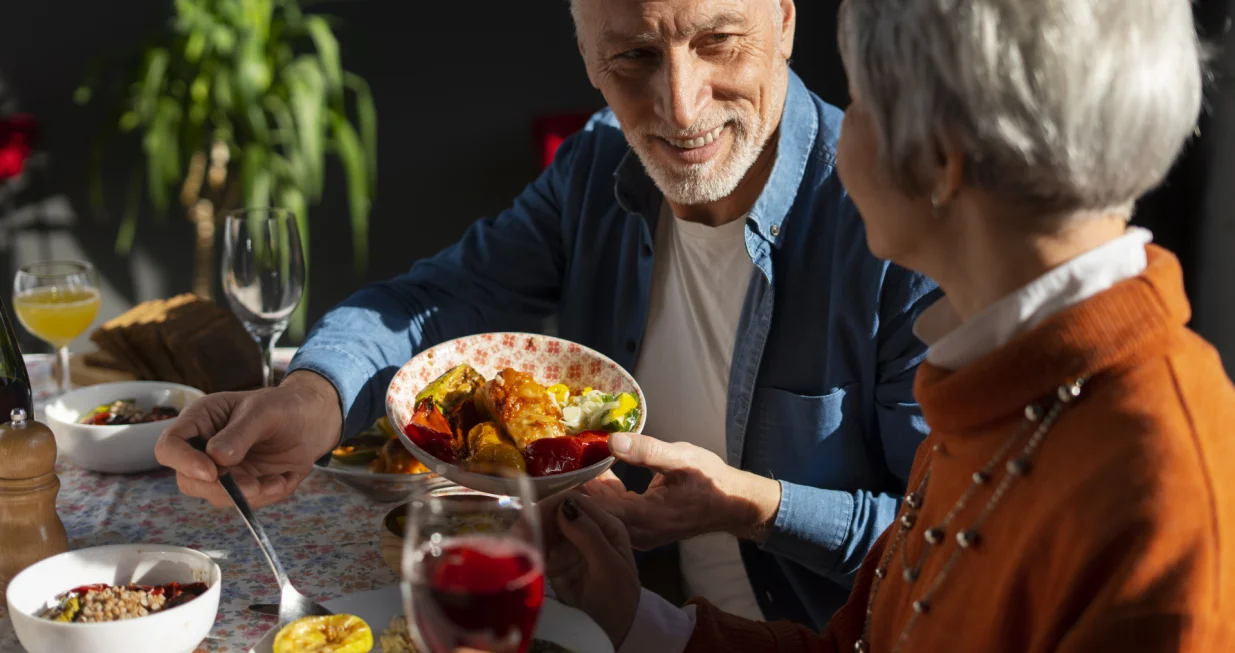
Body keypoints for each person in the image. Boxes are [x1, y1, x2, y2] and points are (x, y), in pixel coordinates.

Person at [155, 0, 938, 628]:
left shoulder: (898, 222)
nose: (678, 102)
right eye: (632, 57)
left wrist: (755, 505)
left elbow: (945, 545)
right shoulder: (597, 165)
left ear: (785, 20)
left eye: (719, 42)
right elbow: (434, 299)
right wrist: (308, 399)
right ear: (588, 59)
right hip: (618, 624)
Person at [534, 0, 1235, 651]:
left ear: (941, 154)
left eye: (861, 104)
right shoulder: (994, 378)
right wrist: (629, 611)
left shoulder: (1163, 489)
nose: (836, 133)